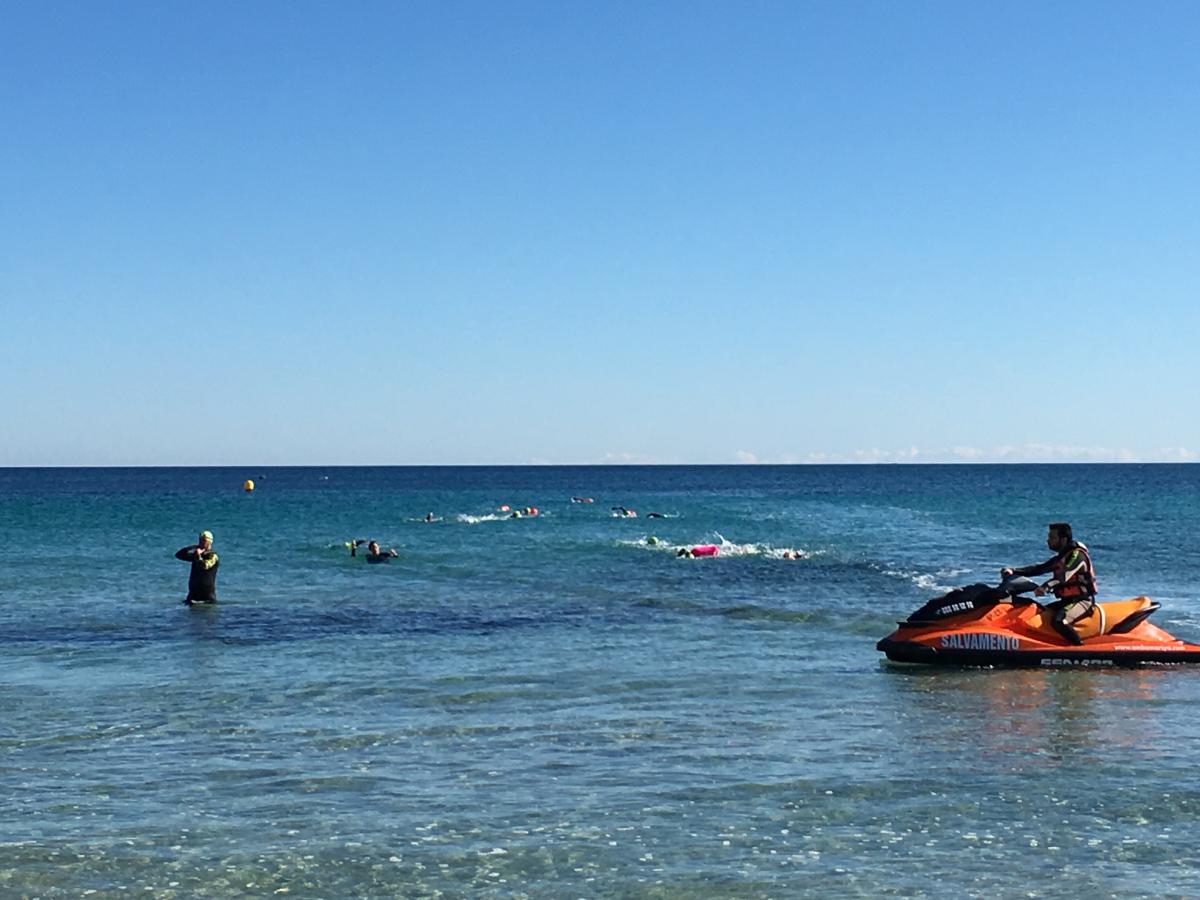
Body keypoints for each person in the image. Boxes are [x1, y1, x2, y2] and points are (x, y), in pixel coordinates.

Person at [1001, 522, 1097, 645]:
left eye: (1052, 537)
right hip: (1066, 601)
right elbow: (1040, 568)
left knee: (1059, 621)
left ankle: (1079, 648)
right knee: (1039, 611)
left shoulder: (1077, 556)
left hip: (1081, 601)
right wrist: (1013, 570)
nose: (1048, 541)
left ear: (1063, 539)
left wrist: (1045, 587)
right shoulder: (1061, 557)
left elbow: (1064, 577)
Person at [175, 530, 219, 605]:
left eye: (203, 541)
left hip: (206, 597)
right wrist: (194, 547)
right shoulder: (196, 555)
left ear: (209, 542)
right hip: (193, 596)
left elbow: (204, 566)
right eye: (200, 540)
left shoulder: (213, 556)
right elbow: (179, 555)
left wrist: (198, 557)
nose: (201, 543)